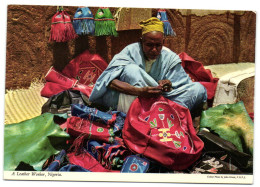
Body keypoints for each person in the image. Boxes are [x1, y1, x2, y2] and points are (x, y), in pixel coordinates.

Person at [89, 17, 207, 115]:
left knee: (198, 89)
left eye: (158, 45)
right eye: (149, 45)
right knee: (131, 70)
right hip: (134, 97)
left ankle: (161, 114)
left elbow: (182, 86)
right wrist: (139, 91)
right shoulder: (130, 52)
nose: (154, 50)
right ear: (141, 41)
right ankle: (152, 116)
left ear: (163, 43)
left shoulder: (169, 57)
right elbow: (108, 81)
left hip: (161, 99)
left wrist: (168, 85)